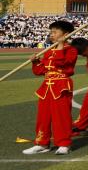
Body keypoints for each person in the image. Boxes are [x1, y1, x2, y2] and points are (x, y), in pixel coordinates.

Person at [22, 21, 79, 155]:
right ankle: (42, 143)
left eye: (55, 32)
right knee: (43, 117)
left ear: (65, 34)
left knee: (61, 116)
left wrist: (60, 45)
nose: (51, 35)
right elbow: (40, 71)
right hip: (46, 87)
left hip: (61, 86)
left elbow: (61, 63)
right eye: (50, 32)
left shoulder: (71, 50)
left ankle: (64, 144)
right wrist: (35, 61)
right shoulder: (49, 51)